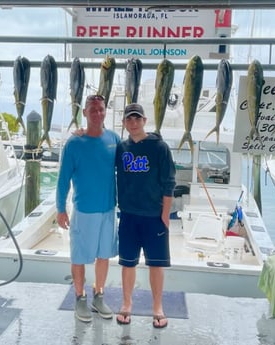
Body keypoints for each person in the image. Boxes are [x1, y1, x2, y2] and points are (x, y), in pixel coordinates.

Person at [56, 94, 120, 323]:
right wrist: (60, 208)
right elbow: (63, 180)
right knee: (80, 257)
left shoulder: (114, 139)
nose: (97, 113)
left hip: (108, 210)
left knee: (104, 256)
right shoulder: (74, 143)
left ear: (105, 111)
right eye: (92, 109)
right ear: (84, 113)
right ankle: (80, 298)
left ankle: (99, 296)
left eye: (101, 109)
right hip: (83, 211)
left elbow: (130, 165)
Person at [115, 103, 176, 328]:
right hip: (129, 215)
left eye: (137, 118)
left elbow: (169, 183)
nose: (133, 122)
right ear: (124, 123)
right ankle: (126, 304)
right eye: (129, 119)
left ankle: (157, 307)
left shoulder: (160, 147)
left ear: (144, 120)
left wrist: (165, 215)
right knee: (127, 264)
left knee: (156, 265)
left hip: (154, 216)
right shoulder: (121, 148)